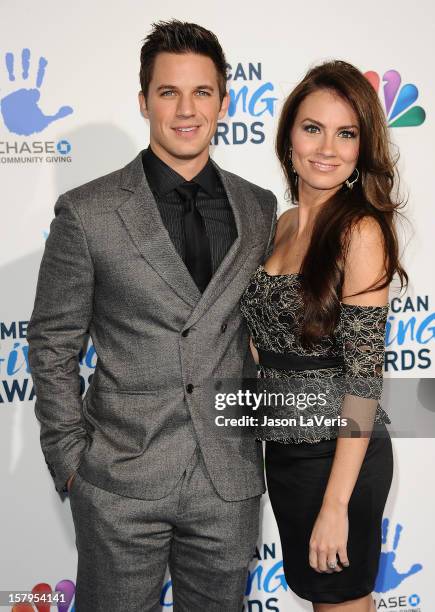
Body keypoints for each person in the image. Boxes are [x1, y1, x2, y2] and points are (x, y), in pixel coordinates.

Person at [27, 20, 277, 612]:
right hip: (119, 483)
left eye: (201, 92)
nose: (186, 110)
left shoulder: (260, 208)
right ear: (144, 101)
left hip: (227, 481)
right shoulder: (87, 212)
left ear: (224, 100)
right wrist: (72, 465)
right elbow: (52, 343)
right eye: (169, 92)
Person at [240, 61, 407, 611]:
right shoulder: (281, 224)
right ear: (289, 134)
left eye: (346, 133)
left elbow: (363, 380)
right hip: (285, 454)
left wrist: (336, 505)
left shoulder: (360, 231)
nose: (327, 147)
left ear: (363, 147)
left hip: (339, 460)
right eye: (313, 128)